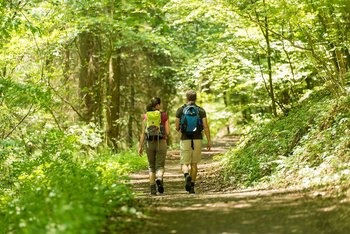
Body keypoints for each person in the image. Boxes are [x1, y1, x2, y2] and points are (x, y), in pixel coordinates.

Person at [175, 90, 211, 194]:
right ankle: (192, 187)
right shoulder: (200, 110)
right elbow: (205, 127)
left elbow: (177, 127)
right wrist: (209, 141)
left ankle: (186, 175)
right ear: (196, 98)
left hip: (185, 138)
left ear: (186, 98)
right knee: (194, 164)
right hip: (198, 138)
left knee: (184, 163)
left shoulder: (180, 110)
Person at [138, 97, 170, 195]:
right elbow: (168, 132)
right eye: (160, 104)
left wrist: (140, 146)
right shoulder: (164, 115)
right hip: (161, 142)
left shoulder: (145, 116)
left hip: (149, 143)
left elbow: (143, 133)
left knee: (151, 167)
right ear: (157, 105)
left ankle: (152, 188)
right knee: (160, 166)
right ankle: (159, 178)